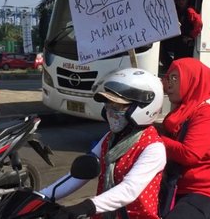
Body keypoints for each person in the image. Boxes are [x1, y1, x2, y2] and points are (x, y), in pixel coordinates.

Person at [40, 68, 166, 219]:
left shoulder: (153, 148)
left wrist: (85, 207)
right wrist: (42, 196)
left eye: (118, 106)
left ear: (143, 108)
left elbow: (129, 190)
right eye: (108, 104)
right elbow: (80, 174)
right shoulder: (110, 138)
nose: (110, 111)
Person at [159, 58, 210, 219]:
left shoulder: (205, 114)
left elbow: (189, 154)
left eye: (175, 78)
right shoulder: (177, 115)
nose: (169, 83)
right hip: (175, 189)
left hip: (204, 192)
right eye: (168, 77)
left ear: (191, 80)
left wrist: (155, 139)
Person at [160, 0, 203, 72]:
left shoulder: (189, 11)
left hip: (185, 43)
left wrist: (191, 36)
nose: (180, 2)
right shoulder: (177, 10)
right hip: (178, 39)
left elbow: (198, 23)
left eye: (183, 0)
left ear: (187, 0)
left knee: (181, 61)